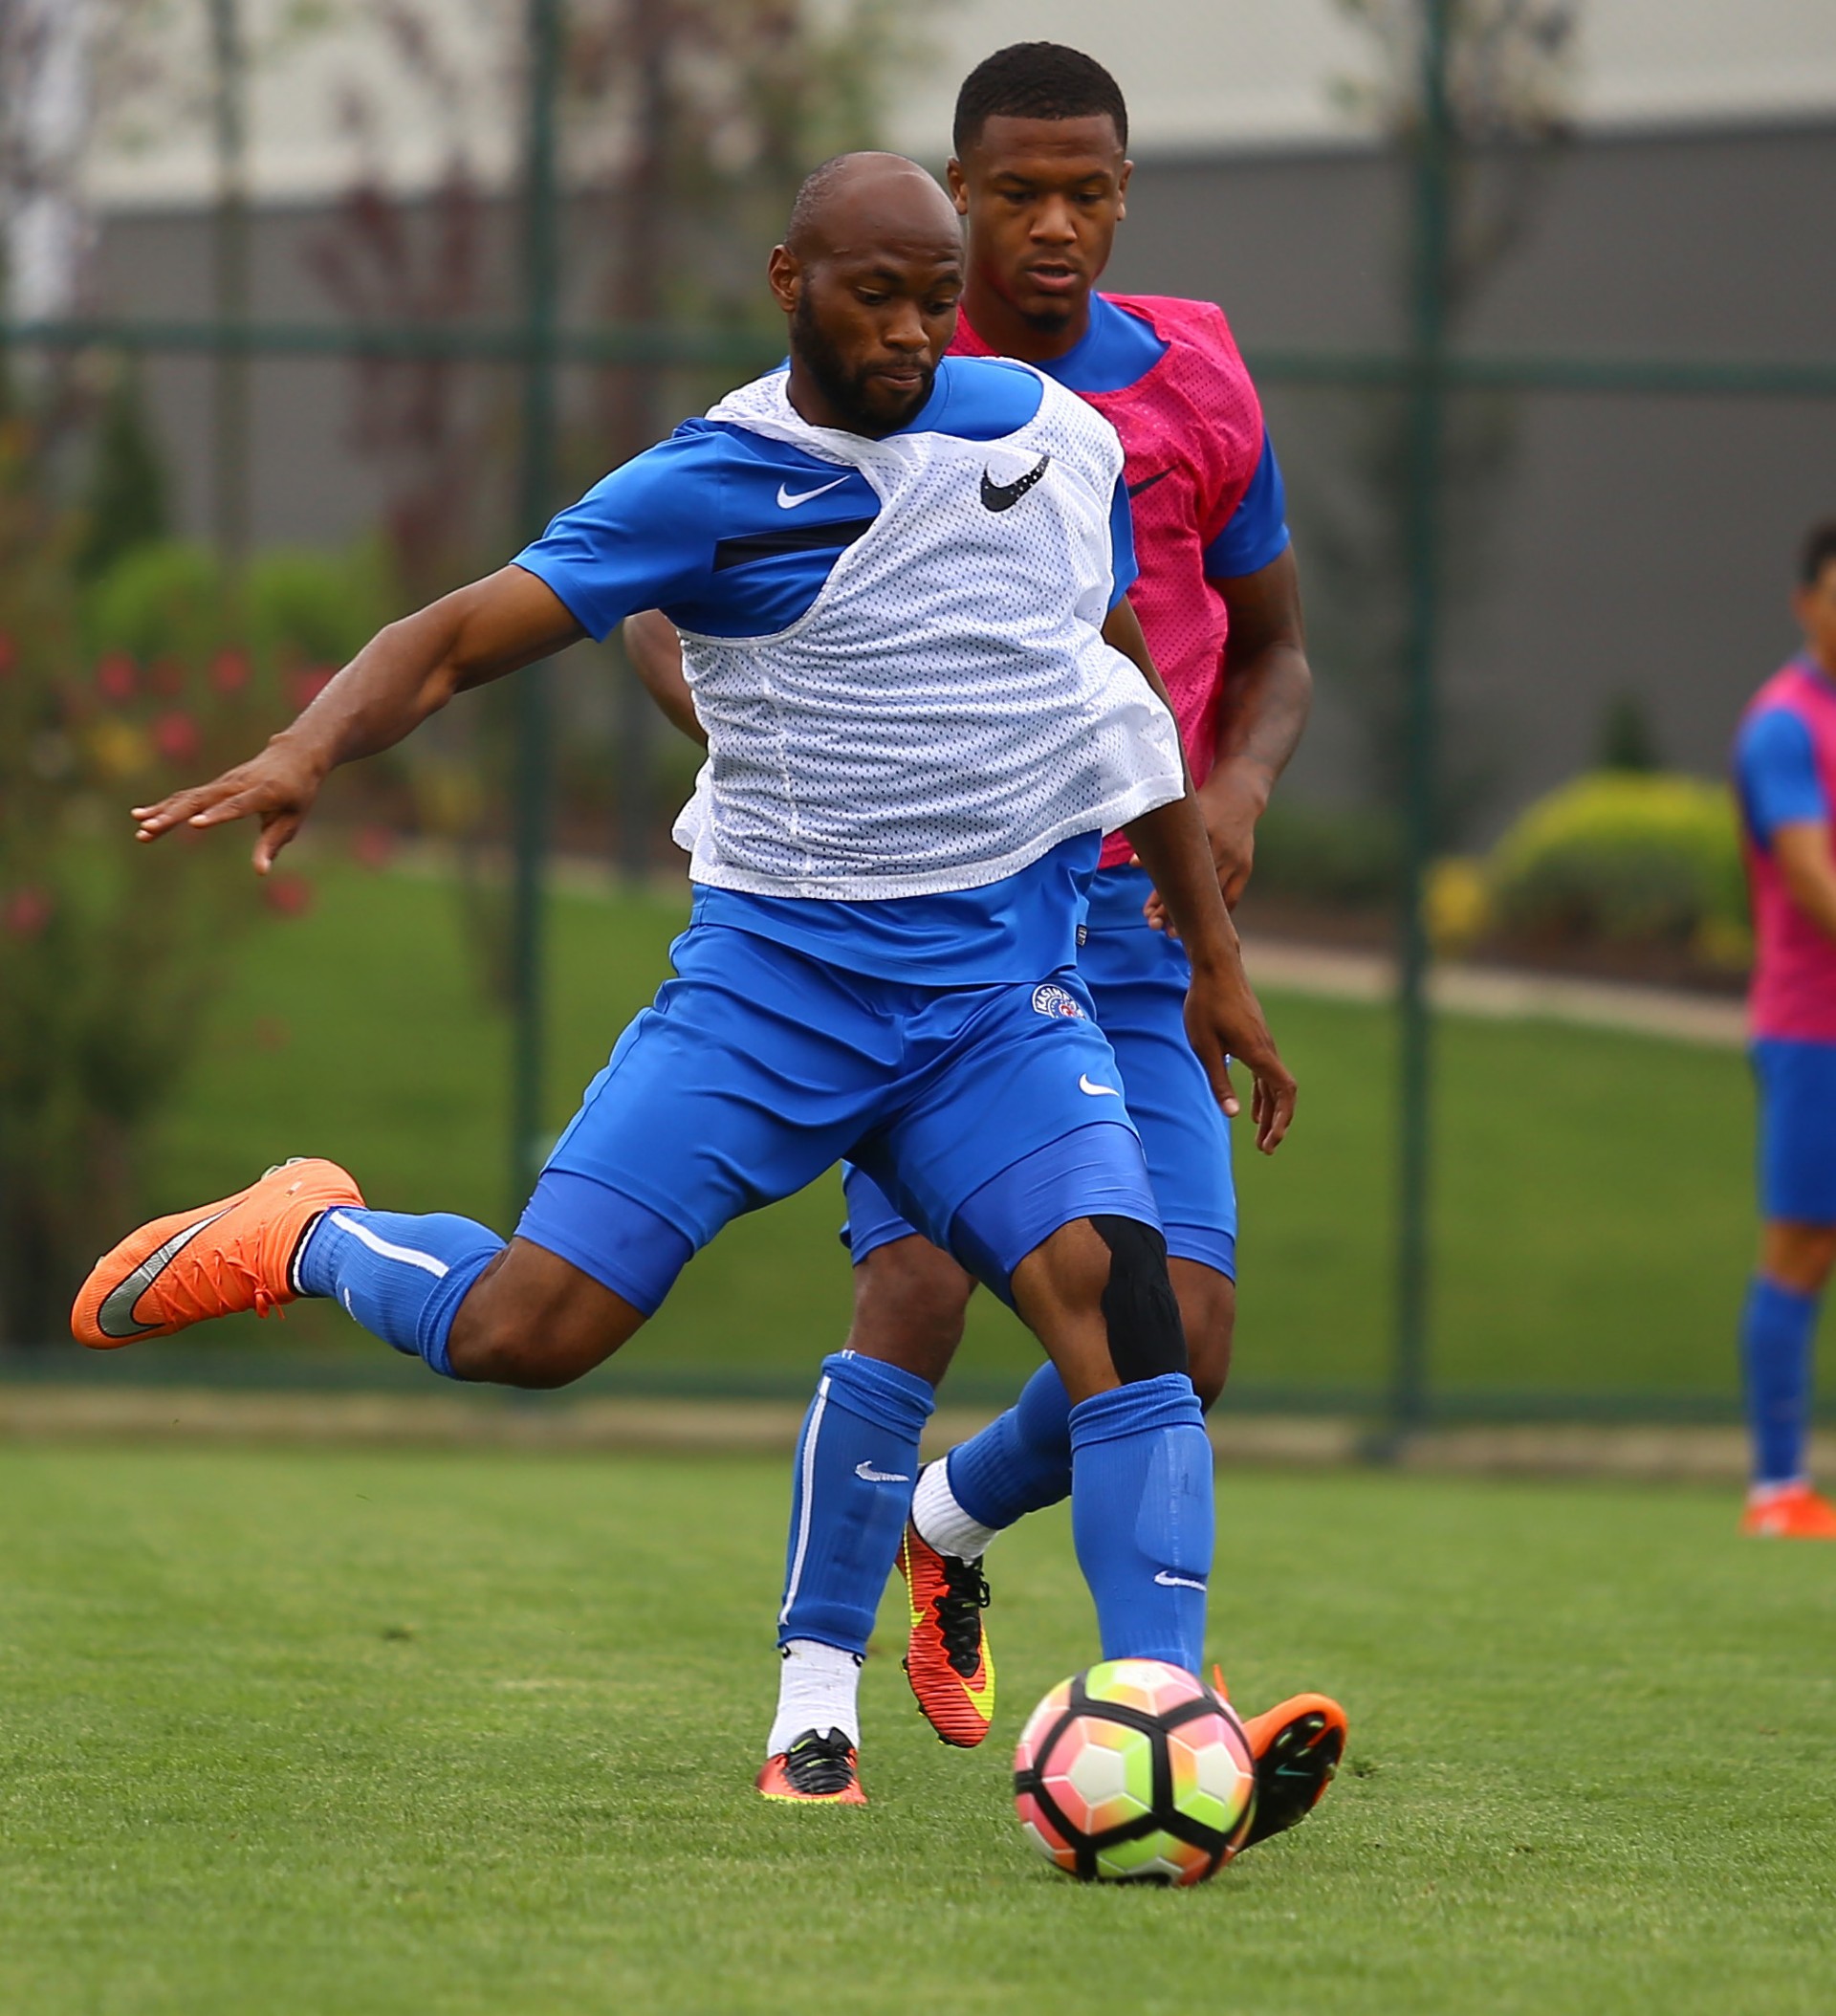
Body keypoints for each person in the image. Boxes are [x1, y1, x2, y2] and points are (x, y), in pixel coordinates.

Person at [72, 154, 1298, 1808]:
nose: (911, 331)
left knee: (1129, 1311)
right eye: (876, 294)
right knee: (528, 1332)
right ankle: (312, 1231)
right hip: (774, 994)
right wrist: (307, 745)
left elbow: (1120, 697)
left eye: (936, 300)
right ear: (790, 280)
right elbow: (454, 636)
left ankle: (1171, 1709)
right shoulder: (715, 480)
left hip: (993, 1010)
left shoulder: (1044, 433)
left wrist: (1213, 960)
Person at [623, 44, 1344, 1838]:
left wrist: (1236, 790)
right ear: (955, 196)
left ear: (1126, 193)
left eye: (1086, 191)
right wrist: (779, 749)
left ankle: (949, 1525)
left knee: (1186, 1331)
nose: (1053, 225)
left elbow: (1274, 647)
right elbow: (659, 593)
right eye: (1015, 192)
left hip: (1141, 913)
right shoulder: (874, 380)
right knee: (920, 1288)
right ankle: (818, 1698)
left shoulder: (1193, 377)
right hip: (940, 915)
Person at [1730, 516, 1836, 1540]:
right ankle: (1778, 1489)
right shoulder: (1785, 726)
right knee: (1801, 1248)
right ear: (1807, 602)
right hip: (1815, 1031)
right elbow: (1811, 877)